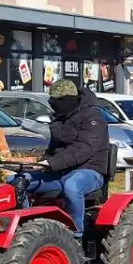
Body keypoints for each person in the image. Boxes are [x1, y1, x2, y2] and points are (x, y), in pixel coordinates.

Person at [32, 80, 110, 236]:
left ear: (69, 99)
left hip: (90, 171)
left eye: (58, 100)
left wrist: (52, 163)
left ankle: (75, 234)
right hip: (60, 170)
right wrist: (41, 163)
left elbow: (83, 149)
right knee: (20, 181)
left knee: (72, 186)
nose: (53, 104)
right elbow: (53, 149)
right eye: (52, 100)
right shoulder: (59, 118)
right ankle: (27, 227)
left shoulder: (93, 118)